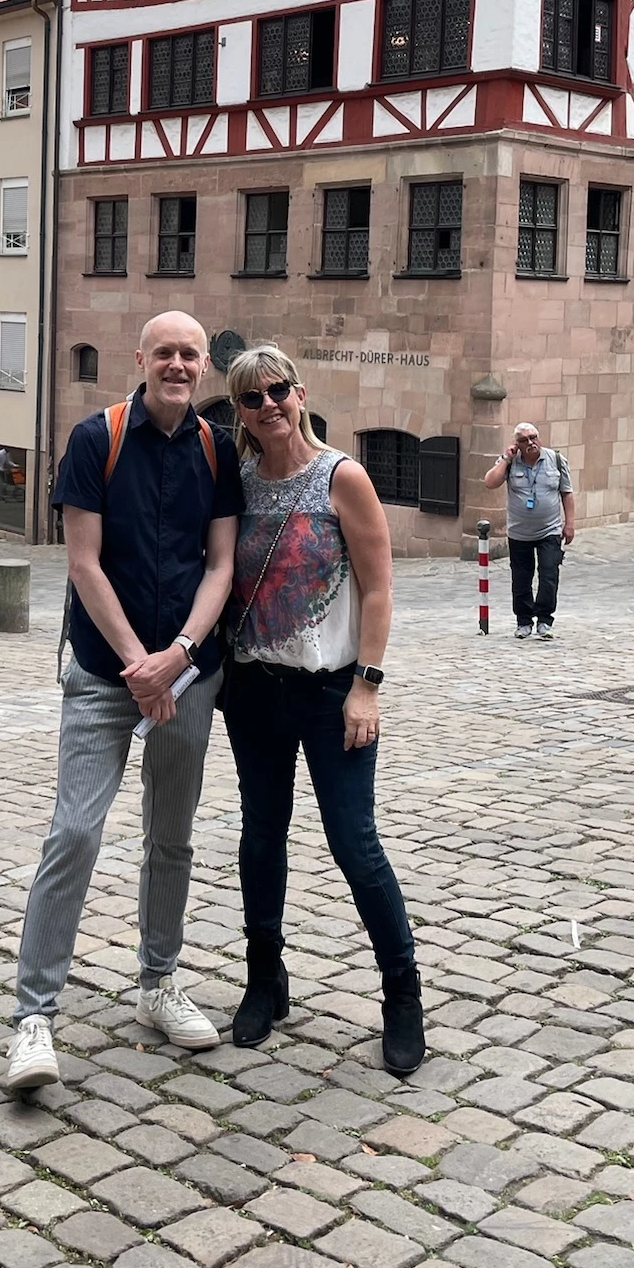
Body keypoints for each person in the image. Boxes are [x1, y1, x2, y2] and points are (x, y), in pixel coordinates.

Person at [4, 312, 241, 1095]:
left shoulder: (218, 449)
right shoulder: (94, 439)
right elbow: (84, 563)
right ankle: (34, 1017)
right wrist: (141, 663)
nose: (177, 365)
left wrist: (179, 657)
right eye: (164, 352)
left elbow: (220, 566)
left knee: (171, 836)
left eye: (189, 355)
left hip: (188, 675)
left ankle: (158, 982)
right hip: (107, 674)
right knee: (74, 831)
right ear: (141, 359)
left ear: (203, 366)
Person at [222, 344, 424, 1076]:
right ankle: (264, 978)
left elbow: (379, 587)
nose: (268, 405)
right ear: (240, 412)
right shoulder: (238, 483)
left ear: (299, 394)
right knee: (261, 835)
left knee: (354, 842)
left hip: (330, 690)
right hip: (252, 689)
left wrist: (367, 684)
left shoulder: (343, 477)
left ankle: (401, 992)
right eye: (251, 398)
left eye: (277, 390)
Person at [483, 422, 574, 639]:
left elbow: (567, 492)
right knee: (521, 578)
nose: (531, 443)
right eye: (524, 440)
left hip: (549, 530)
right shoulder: (510, 462)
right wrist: (506, 458)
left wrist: (569, 524)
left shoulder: (556, 460)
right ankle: (523, 621)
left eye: (533, 437)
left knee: (549, 574)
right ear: (517, 444)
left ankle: (544, 620)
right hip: (519, 532)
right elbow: (490, 482)